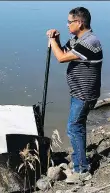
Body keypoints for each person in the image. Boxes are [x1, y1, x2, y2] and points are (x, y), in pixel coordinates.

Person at [46, 7, 103, 183]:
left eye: (70, 22)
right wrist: (57, 39)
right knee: (78, 127)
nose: (67, 24)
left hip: (84, 95)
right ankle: (79, 160)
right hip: (79, 92)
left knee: (73, 127)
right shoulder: (79, 39)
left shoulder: (90, 42)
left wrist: (51, 41)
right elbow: (64, 52)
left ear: (79, 22)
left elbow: (60, 58)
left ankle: (82, 170)